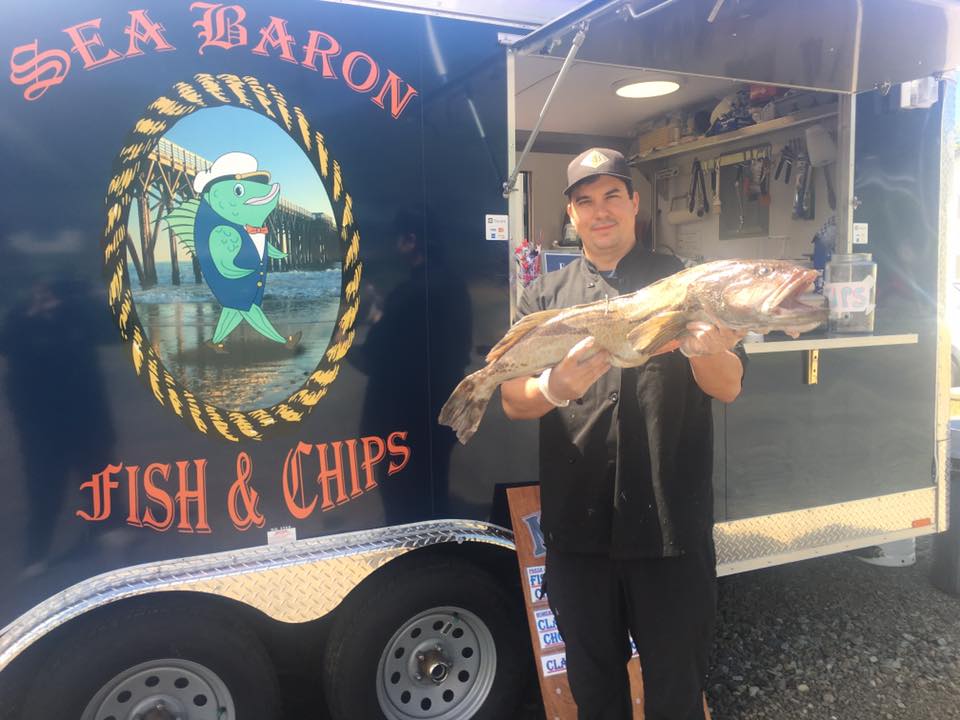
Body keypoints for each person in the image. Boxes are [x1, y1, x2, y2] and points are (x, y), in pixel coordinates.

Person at [500, 148, 746, 720]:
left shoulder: (686, 285)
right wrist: (555, 388)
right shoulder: (544, 298)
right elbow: (512, 399)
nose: (600, 211)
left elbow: (730, 385)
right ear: (572, 214)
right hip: (579, 536)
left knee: (677, 695)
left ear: (634, 202)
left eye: (612, 195)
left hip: (670, 533)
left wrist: (706, 348)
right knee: (595, 693)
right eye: (585, 201)